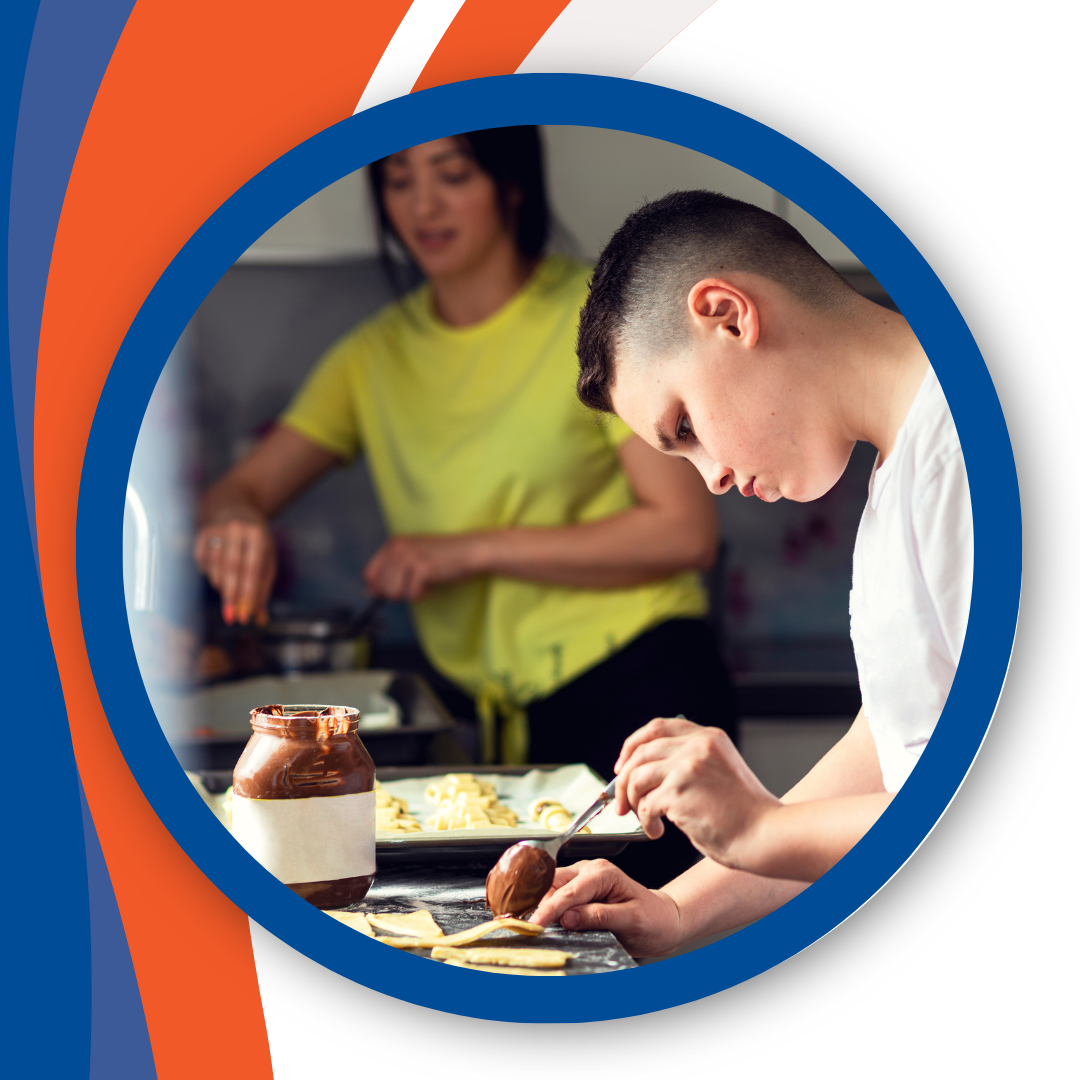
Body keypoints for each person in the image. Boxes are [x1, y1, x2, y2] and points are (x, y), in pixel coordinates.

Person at [195, 132, 737, 879]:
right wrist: (235, 522)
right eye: (398, 179)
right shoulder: (374, 355)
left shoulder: (596, 321)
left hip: (641, 698)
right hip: (489, 733)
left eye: (452, 174)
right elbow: (241, 490)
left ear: (511, 185)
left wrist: (466, 551)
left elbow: (683, 532)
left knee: (643, 954)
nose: (423, 205)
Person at [532, 190, 973, 956]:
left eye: (687, 427)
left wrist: (763, 826)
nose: (711, 479)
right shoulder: (906, 468)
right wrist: (679, 908)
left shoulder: (966, 455)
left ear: (729, 315)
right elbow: (897, 751)